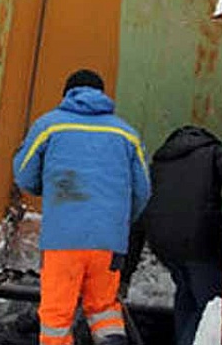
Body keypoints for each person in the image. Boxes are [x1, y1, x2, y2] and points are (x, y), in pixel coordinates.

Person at [13, 69, 151, 345]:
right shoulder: (126, 133)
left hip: (63, 240)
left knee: (57, 317)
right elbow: (143, 190)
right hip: (109, 243)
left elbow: (24, 175)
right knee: (104, 311)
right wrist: (120, 222)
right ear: (102, 94)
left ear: (67, 93)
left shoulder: (49, 126)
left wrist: (52, 190)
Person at [141, 125, 222, 345]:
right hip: (199, 243)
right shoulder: (213, 152)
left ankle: (181, 338)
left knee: (186, 296)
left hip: (163, 244)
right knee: (209, 306)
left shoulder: (160, 160)